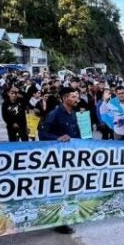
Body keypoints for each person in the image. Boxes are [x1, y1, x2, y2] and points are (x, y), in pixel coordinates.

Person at [38, 87, 81, 235]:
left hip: (72, 157)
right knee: (59, 189)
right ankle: (59, 221)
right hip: (58, 159)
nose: (77, 99)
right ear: (64, 98)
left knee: (70, 188)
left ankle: (67, 215)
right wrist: (57, 139)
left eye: (77, 96)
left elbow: (76, 133)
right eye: (74, 97)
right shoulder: (54, 114)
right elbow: (42, 133)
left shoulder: (73, 113)